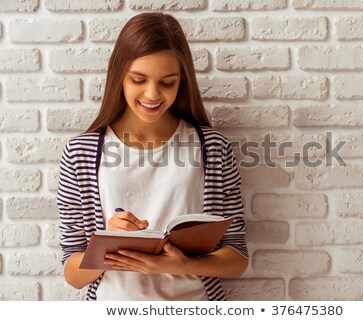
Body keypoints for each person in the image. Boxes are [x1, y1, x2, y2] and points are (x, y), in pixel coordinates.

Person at [57, 12, 248, 301]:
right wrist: (106, 245)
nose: (152, 94)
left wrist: (184, 264)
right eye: (138, 79)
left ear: (182, 82)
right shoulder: (81, 153)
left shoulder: (212, 147)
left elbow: (237, 257)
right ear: (119, 75)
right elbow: (73, 275)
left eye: (167, 82)